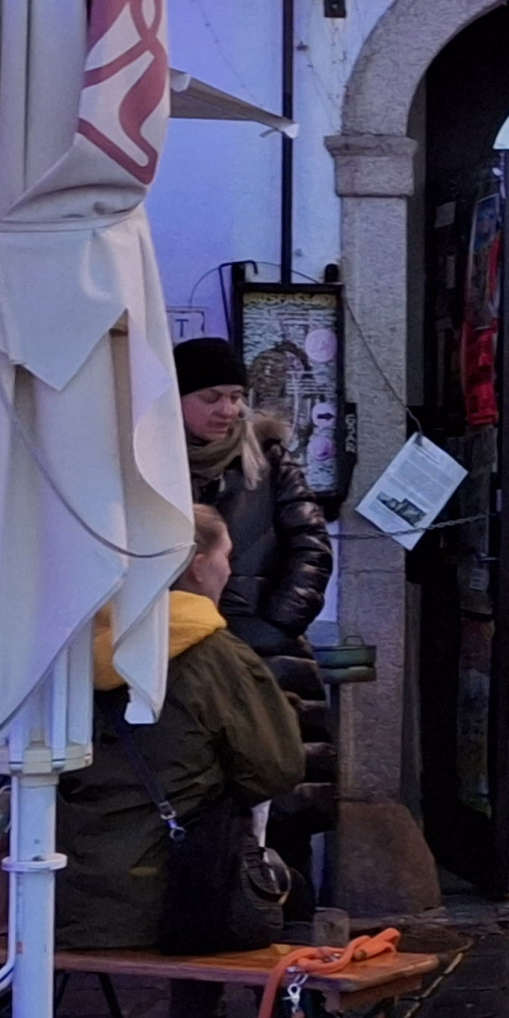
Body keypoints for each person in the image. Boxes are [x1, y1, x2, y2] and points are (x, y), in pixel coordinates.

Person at [62, 506, 305, 1018]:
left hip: (71, 893)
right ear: (198, 565)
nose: (229, 570)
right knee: (265, 893)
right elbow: (276, 770)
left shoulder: (71, 645)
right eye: (225, 557)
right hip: (168, 897)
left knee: (206, 879)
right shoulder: (213, 655)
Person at [177, 337, 334, 903]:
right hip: (182, 660)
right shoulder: (147, 464)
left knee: (282, 803)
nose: (228, 409)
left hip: (270, 660)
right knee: (200, 803)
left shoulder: (266, 458)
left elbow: (311, 546)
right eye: (211, 396)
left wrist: (273, 625)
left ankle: (296, 956)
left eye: (236, 396)